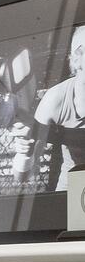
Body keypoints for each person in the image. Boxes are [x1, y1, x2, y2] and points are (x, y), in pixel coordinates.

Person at [38, 30, 85, 187]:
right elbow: (23, 173)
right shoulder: (55, 99)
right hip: (75, 186)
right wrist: (24, 153)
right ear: (78, 59)